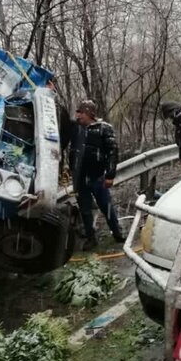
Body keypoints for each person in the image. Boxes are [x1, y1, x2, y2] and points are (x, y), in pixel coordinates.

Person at [70, 100, 124, 250]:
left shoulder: (104, 128)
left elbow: (112, 152)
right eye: (77, 112)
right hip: (80, 178)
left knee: (106, 206)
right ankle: (90, 238)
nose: (77, 115)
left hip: (98, 177)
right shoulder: (76, 129)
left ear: (88, 113)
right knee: (85, 210)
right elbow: (69, 149)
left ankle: (117, 233)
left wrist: (110, 175)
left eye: (80, 112)